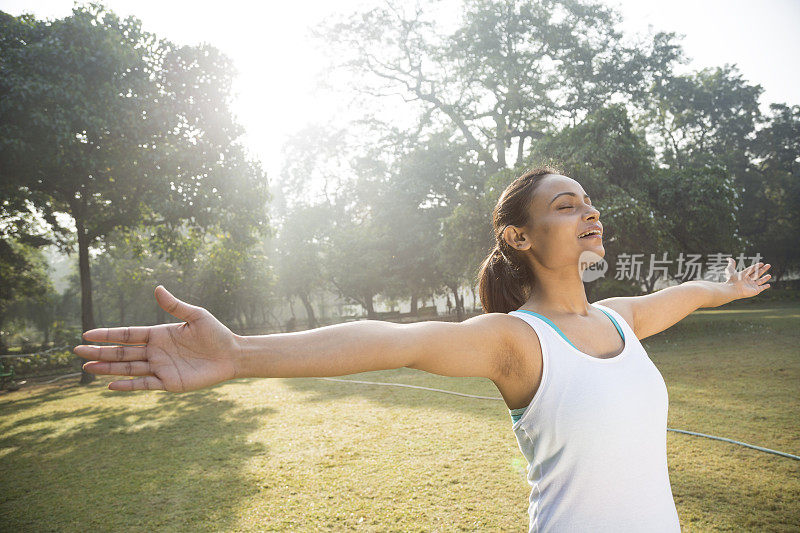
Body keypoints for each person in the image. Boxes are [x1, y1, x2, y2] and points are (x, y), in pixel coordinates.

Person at [74, 167, 772, 532]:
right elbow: (395, 341)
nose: (590, 211)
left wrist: (729, 287)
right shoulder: (517, 341)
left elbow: (687, 295)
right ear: (518, 238)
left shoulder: (621, 320)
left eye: (588, 201)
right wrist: (240, 352)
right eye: (566, 204)